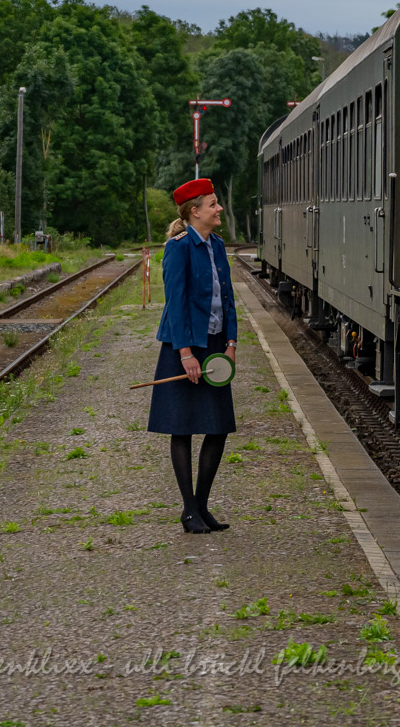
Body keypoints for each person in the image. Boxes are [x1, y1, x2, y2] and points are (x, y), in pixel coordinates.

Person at [146, 178, 238, 534]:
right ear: (194, 211)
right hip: (182, 347)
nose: (219, 209)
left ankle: (201, 506)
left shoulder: (216, 245)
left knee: (218, 428)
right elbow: (177, 304)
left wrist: (231, 343)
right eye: (213, 204)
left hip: (215, 346)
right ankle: (188, 510)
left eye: (217, 203)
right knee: (182, 427)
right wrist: (185, 353)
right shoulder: (178, 247)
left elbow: (227, 298)